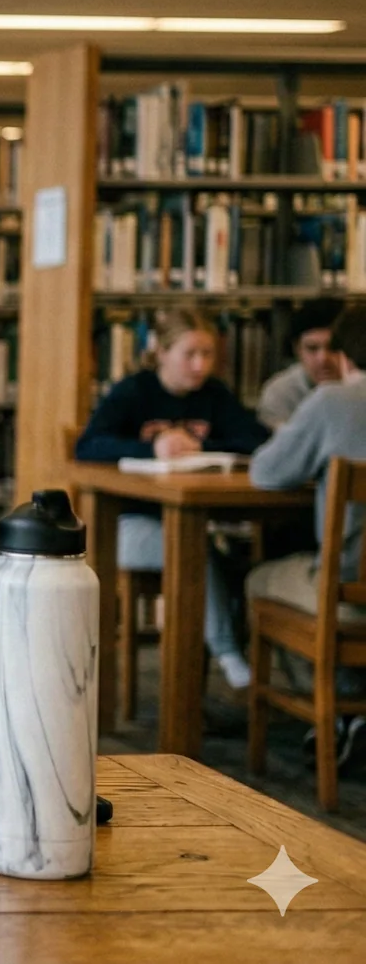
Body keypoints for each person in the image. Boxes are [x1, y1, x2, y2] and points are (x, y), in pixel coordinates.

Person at [74, 308, 270, 688]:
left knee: (232, 559)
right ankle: (228, 651)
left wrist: (201, 445)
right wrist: (152, 448)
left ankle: (220, 660)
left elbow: (258, 440)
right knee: (195, 553)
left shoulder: (214, 395)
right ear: (162, 352)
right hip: (127, 525)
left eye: (207, 354)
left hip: (195, 520)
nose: (200, 366)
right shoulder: (134, 391)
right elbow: (88, 446)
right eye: (189, 354)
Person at [248, 308, 366, 764]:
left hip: (350, 592)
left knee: (260, 580)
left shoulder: (334, 401)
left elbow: (266, 472)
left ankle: (337, 711)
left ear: (342, 357)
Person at [258, 298, 346, 429]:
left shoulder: (360, 388)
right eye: (312, 348)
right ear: (297, 350)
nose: (323, 359)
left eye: (333, 348)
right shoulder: (280, 393)